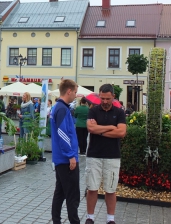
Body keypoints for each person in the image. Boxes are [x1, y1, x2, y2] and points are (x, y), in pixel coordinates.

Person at [85, 84, 126, 224]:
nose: (105, 101)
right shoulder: (93, 111)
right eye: (102, 98)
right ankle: (90, 217)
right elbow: (90, 128)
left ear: (113, 97)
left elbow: (121, 132)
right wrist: (109, 128)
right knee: (92, 187)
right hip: (93, 155)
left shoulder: (119, 112)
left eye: (107, 98)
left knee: (111, 189)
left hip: (113, 156)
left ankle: (110, 219)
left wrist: (99, 130)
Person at [50, 79, 80, 224]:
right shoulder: (62, 109)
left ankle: (56, 220)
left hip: (60, 158)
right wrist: (71, 156)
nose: (76, 95)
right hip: (66, 159)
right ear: (69, 91)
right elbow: (62, 133)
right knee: (72, 194)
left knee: (60, 192)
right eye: (75, 92)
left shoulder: (59, 107)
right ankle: (74, 221)